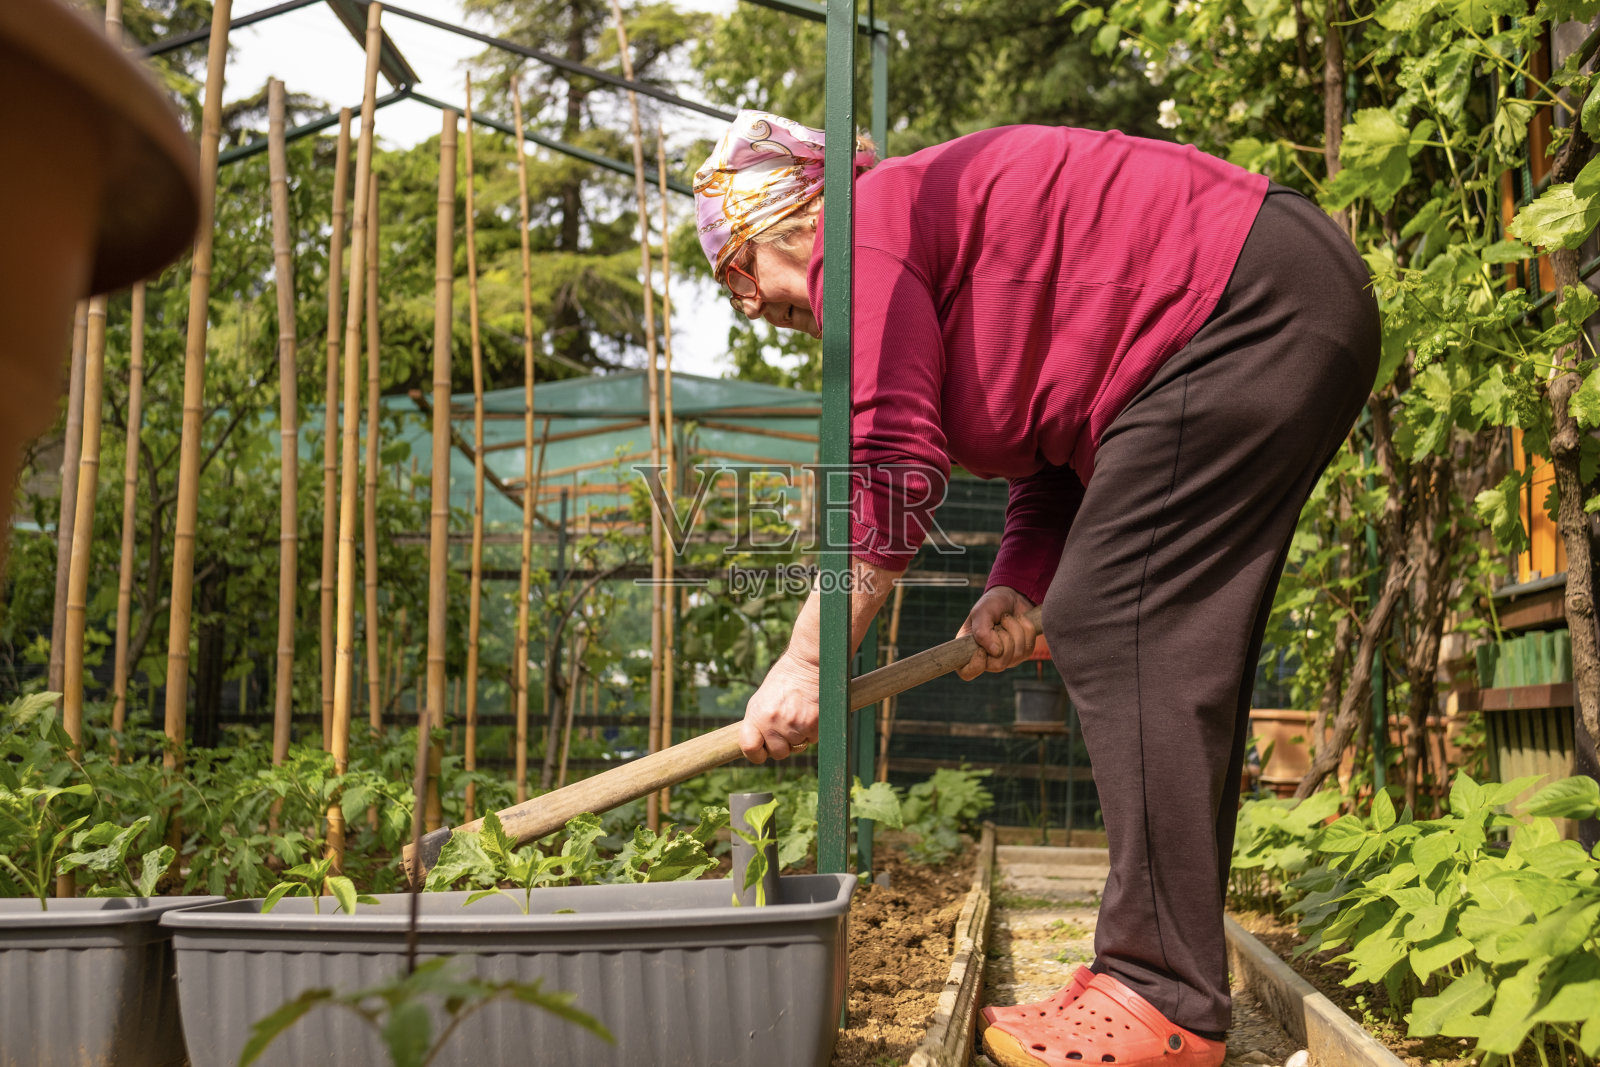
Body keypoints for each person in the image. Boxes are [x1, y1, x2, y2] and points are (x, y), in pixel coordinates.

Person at [693, 110, 1379, 1067]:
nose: (753, 310)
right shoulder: (915, 243)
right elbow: (1058, 447)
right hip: (1267, 299)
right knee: (1160, 641)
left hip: (1242, 302)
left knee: (1118, 620)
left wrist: (807, 658)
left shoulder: (868, 227)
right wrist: (1017, 583)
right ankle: (1159, 979)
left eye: (737, 278)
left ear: (794, 223)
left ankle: (1161, 994)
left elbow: (894, 463)